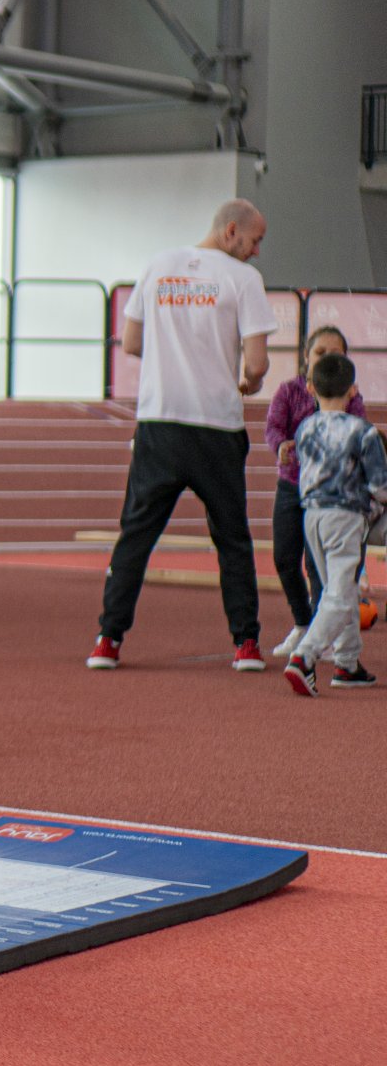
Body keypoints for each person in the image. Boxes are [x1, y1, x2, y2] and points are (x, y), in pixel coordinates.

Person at [88, 199, 276, 672]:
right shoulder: (243, 281)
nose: (256, 252)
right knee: (232, 540)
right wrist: (250, 382)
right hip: (216, 426)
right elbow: (255, 365)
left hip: (160, 423)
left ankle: (108, 640)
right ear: (232, 231)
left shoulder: (157, 266)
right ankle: (246, 645)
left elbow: (131, 343)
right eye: (255, 241)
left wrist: (171, 356)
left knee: (135, 536)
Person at [281, 352, 387, 695]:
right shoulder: (363, 432)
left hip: (311, 515)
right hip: (346, 516)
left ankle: (348, 662)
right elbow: (380, 487)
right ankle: (304, 657)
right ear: (353, 389)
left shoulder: (304, 428)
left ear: (312, 389)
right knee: (341, 596)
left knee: (337, 591)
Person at [265, 326, 367, 660]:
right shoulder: (288, 391)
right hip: (292, 486)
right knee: (284, 557)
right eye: (320, 352)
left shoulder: (352, 398)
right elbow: (273, 428)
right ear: (305, 358)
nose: (328, 358)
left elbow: (359, 440)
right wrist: (281, 446)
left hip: (331, 496)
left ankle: (327, 635)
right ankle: (303, 623)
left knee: (320, 565)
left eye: (336, 353)